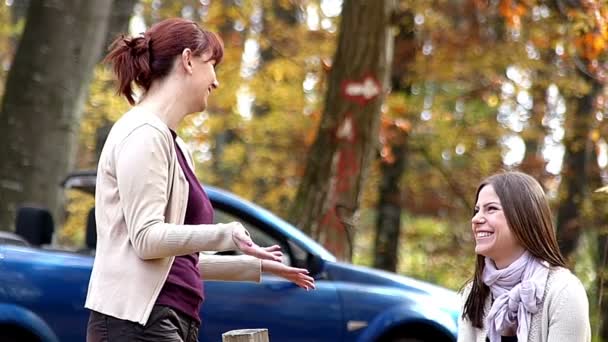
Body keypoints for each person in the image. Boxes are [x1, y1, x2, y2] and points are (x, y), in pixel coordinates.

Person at [85, 18, 315, 342]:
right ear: (188, 60)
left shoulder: (174, 144)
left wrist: (256, 266)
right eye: (212, 65)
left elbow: (175, 261)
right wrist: (225, 233)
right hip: (138, 322)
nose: (216, 81)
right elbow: (147, 240)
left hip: (169, 318)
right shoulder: (143, 133)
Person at [458, 171, 590, 342]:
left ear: (524, 218)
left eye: (491, 209)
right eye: (476, 211)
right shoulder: (473, 293)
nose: (476, 219)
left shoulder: (564, 292)